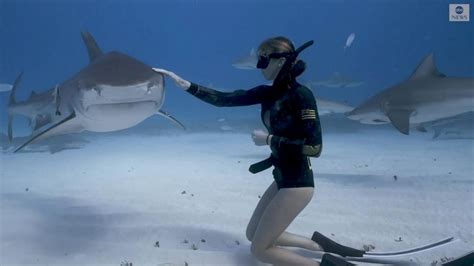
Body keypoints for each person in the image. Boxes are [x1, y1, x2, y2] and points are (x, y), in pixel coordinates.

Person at [154, 37, 363, 266]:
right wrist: (187, 85)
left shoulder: (302, 96)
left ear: (281, 61)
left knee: (261, 250)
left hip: (298, 184)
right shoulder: (267, 93)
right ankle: (320, 248)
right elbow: (225, 100)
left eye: (263, 60)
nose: (259, 66)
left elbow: (315, 148)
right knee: (253, 234)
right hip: (282, 179)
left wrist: (270, 139)